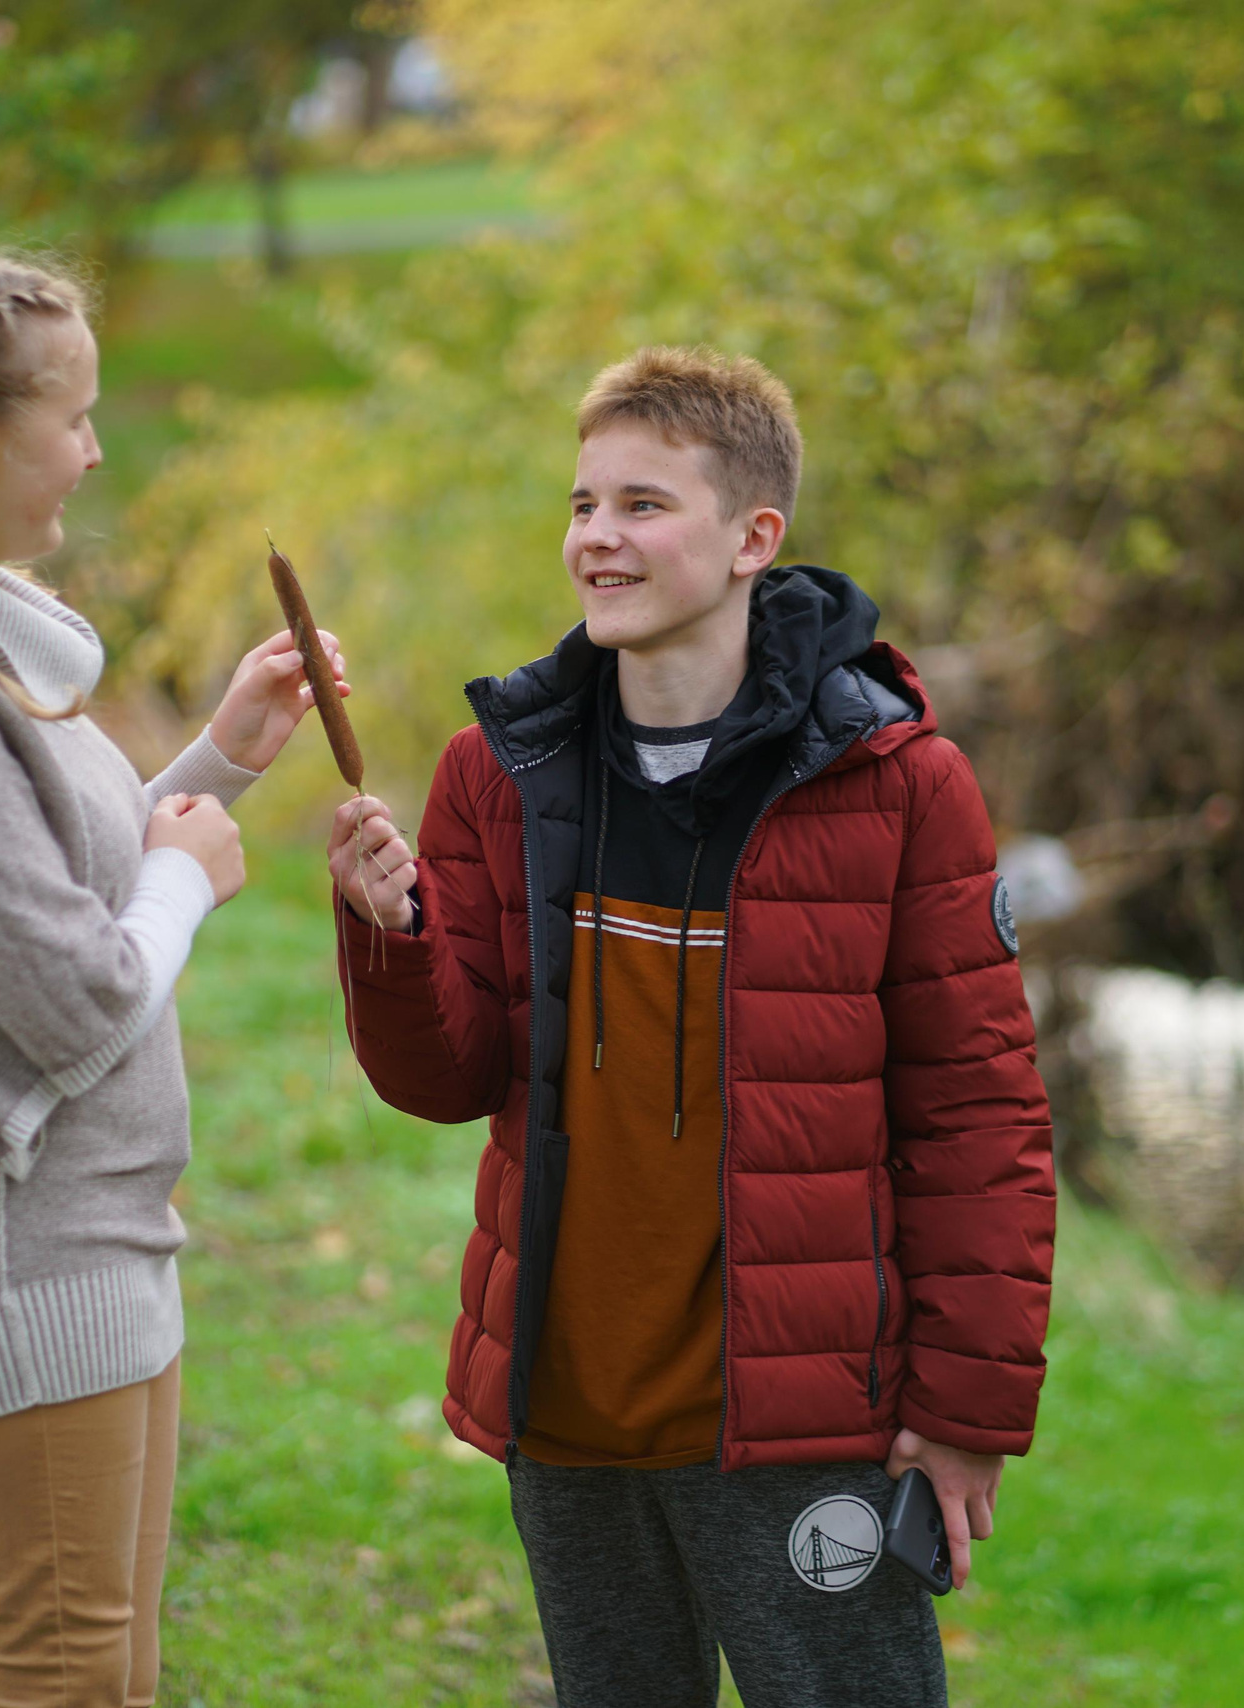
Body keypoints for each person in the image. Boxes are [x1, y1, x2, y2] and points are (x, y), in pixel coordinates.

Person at [326, 347, 1053, 1707]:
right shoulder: (497, 771)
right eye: (583, 503)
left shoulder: (899, 786)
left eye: (643, 505)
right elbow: (452, 1075)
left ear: (751, 540)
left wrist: (966, 1413)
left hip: (803, 1415)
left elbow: (979, 1119)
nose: (597, 536)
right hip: (569, 1405)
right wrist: (391, 934)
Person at [0, 245, 345, 1708]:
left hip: (92, 1231)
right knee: (57, 1680)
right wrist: (190, 878)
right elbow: (72, 989)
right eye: (78, 419)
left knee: (111, 1675)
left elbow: (48, 888)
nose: (95, 452)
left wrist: (221, 759)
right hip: (13, 1245)